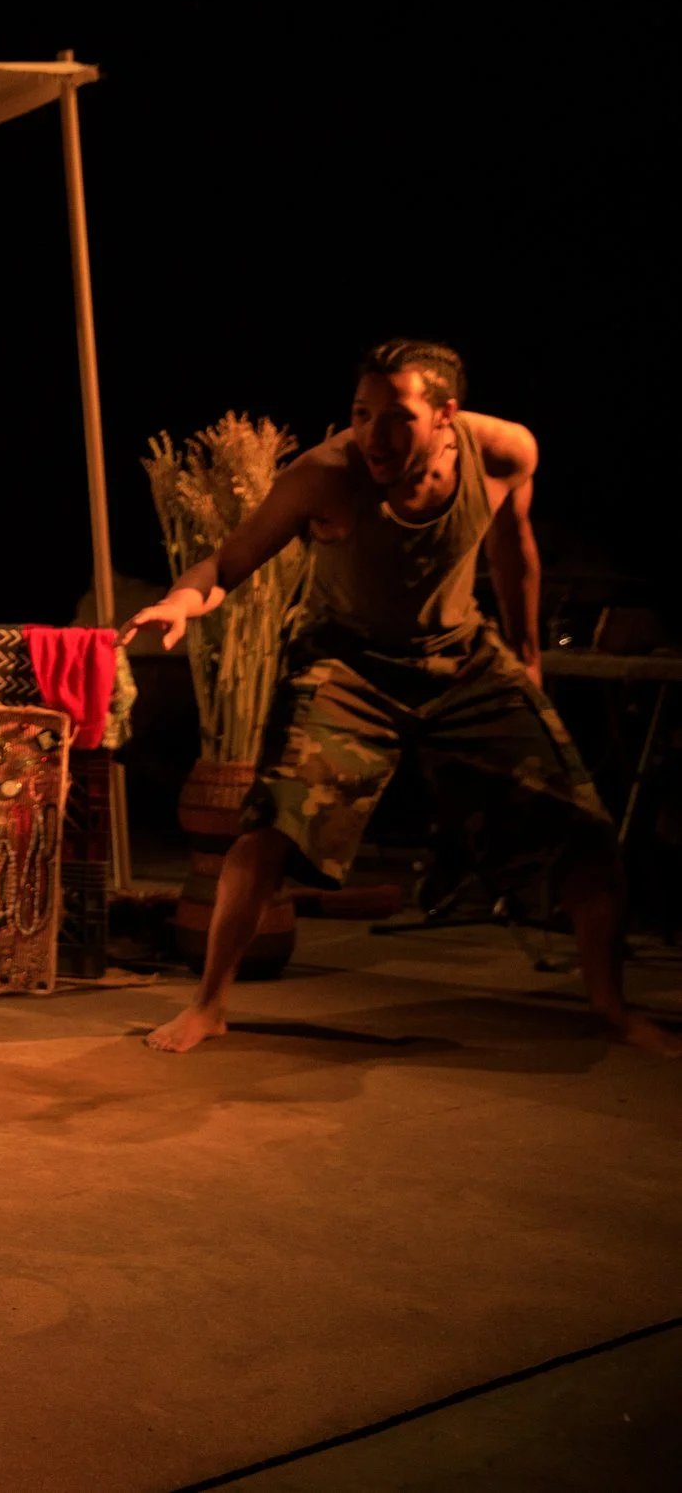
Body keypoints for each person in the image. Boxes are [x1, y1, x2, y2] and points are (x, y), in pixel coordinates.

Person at [129, 340, 675, 1057]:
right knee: (271, 826)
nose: (373, 437)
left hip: (462, 661)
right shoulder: (326, 475)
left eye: (396, 418)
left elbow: (515, 548)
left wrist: (530, 656)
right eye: (360, 414)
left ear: (446, 416)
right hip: (346, 667)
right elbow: (228, 561)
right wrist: (180, 600)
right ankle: (208, 1005)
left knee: (585, 827)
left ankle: (611, 1007)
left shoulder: (504, 453)